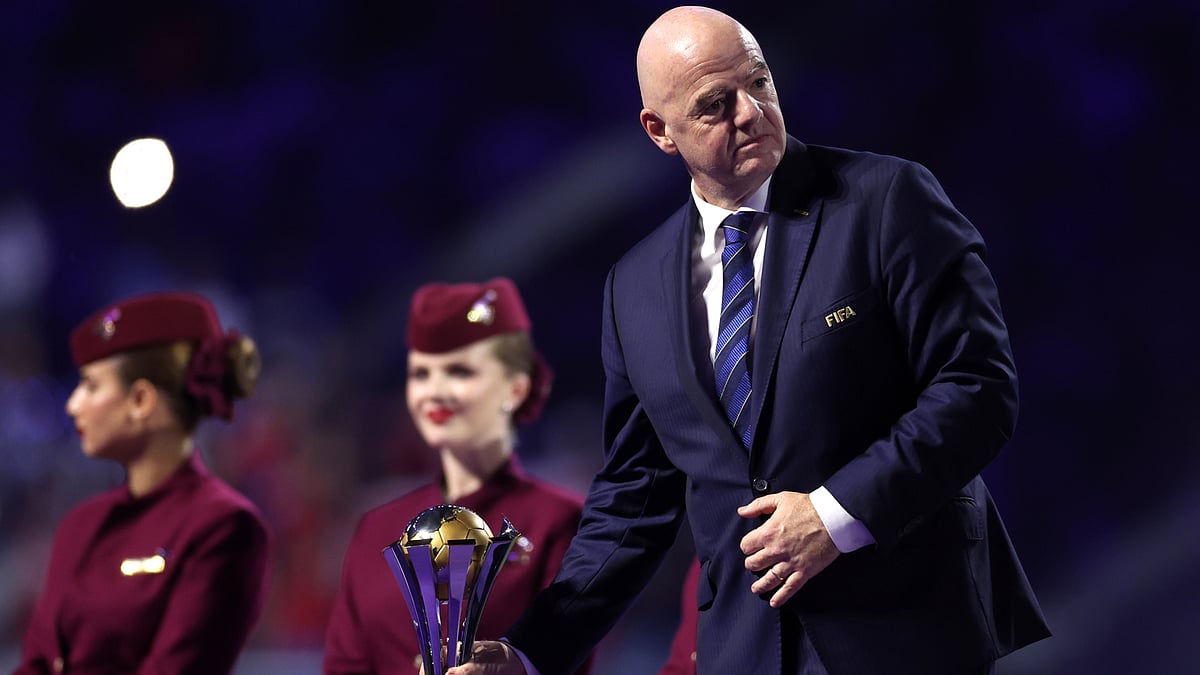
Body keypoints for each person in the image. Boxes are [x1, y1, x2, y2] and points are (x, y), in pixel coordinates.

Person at [450, 6, 1051, 675]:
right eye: (714, 104)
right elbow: (633, 502)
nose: (752, 111)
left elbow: (976, 387)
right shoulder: (634, 288)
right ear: (660, 131)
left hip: (908, 636)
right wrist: (532, 650)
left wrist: (833, 512)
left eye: (759, 82)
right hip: (746, 650)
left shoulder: (887, 200)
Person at [323, 277, 591, 674]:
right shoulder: (375, 527)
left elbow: (572, 656)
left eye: (459, 372)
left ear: (515, 388)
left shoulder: (558, 521)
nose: (434, 391)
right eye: (421, 374)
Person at [16, 291, 271, 674]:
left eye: (91, 386)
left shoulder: (224, 527)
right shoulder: (79, 525)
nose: (73, 405)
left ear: (141, 400)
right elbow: (38, 661)